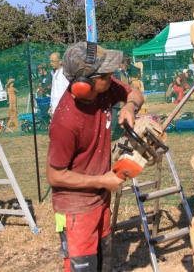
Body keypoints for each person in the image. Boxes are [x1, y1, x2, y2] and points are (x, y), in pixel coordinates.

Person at [46, 41, 144, 272]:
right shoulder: (65, 122)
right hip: (76, 208)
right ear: (83, 85)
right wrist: (103, 181)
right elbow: (54, 176)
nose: (112, 75)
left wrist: (130, 106)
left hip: (100, 198)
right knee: (85, 267)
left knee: (103, 263)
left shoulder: (104, 89)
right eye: (106, 73)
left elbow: (135, 93)